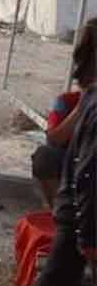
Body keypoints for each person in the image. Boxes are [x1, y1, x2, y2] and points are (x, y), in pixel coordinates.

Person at [0, 22, 96, 286]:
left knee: (62, 277)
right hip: (85, 211)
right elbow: (87, 169)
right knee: (56, 278)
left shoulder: (91, 98)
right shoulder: (89, 103)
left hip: (81, 208)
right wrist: (87, 230)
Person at [31, 19, 97, 208]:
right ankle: (56, 212)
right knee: (45, 156)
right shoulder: (67, 101)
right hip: (75, 165)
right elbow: (53, 139)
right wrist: (83, 105)